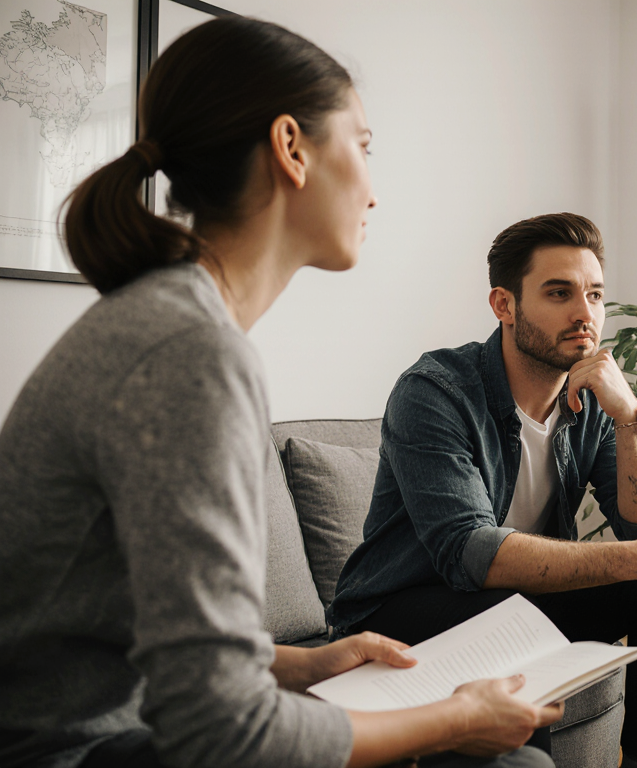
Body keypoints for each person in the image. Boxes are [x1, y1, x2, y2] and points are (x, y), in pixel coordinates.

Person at [0, 17, 559, 768]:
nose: (373, 187)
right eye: (362, 147)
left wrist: (296, 662)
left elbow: (133, 633)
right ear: (292, 148)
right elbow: (224, 733)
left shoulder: (172, 322)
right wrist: (453, 719)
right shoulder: (186, 352)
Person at [328, 212, 637, 768]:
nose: (584, 313)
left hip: (514, 599)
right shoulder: (434, 391)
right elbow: (469, 553)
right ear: (504, 306)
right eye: (559, 293)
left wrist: (631, 416)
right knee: (515, 614)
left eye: (594, 294)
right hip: (397, 607)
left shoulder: (592, 402)